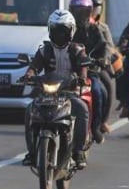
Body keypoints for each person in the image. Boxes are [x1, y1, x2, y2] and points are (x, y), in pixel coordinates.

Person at [21, 10, 90, 169]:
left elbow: (83, 67)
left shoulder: (77, 50)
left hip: (69, 92)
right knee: (30, 111)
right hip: (47, 93)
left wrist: (82, 78)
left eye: (63, 31)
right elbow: (34, 67)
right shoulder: (44, 50)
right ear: (50, 30)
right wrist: (29, 76)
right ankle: (32, 153)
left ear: (71, 31)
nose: (59, 34)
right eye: (56, 30)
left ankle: (78, 152)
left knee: (82, 109)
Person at [69, 0, 110, 144]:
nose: (80, 14)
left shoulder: (94, 29)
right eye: (77, 10)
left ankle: (95, 128)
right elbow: (54, 42)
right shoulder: (66, 27)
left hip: (90, 71)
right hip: (67, 70)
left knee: (99, 93)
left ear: (90, 11)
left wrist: (103, 58)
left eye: (84, 11)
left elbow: (104, 46)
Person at [89, 0, 117, 134]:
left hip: (97, 65)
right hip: (78, 65)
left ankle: (103, 121)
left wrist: (104, 58)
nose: (94, 11)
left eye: (96, 8)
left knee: (108, 88)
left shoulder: (102, 28)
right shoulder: (74, 25)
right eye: (91, 7)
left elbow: (109, 47)